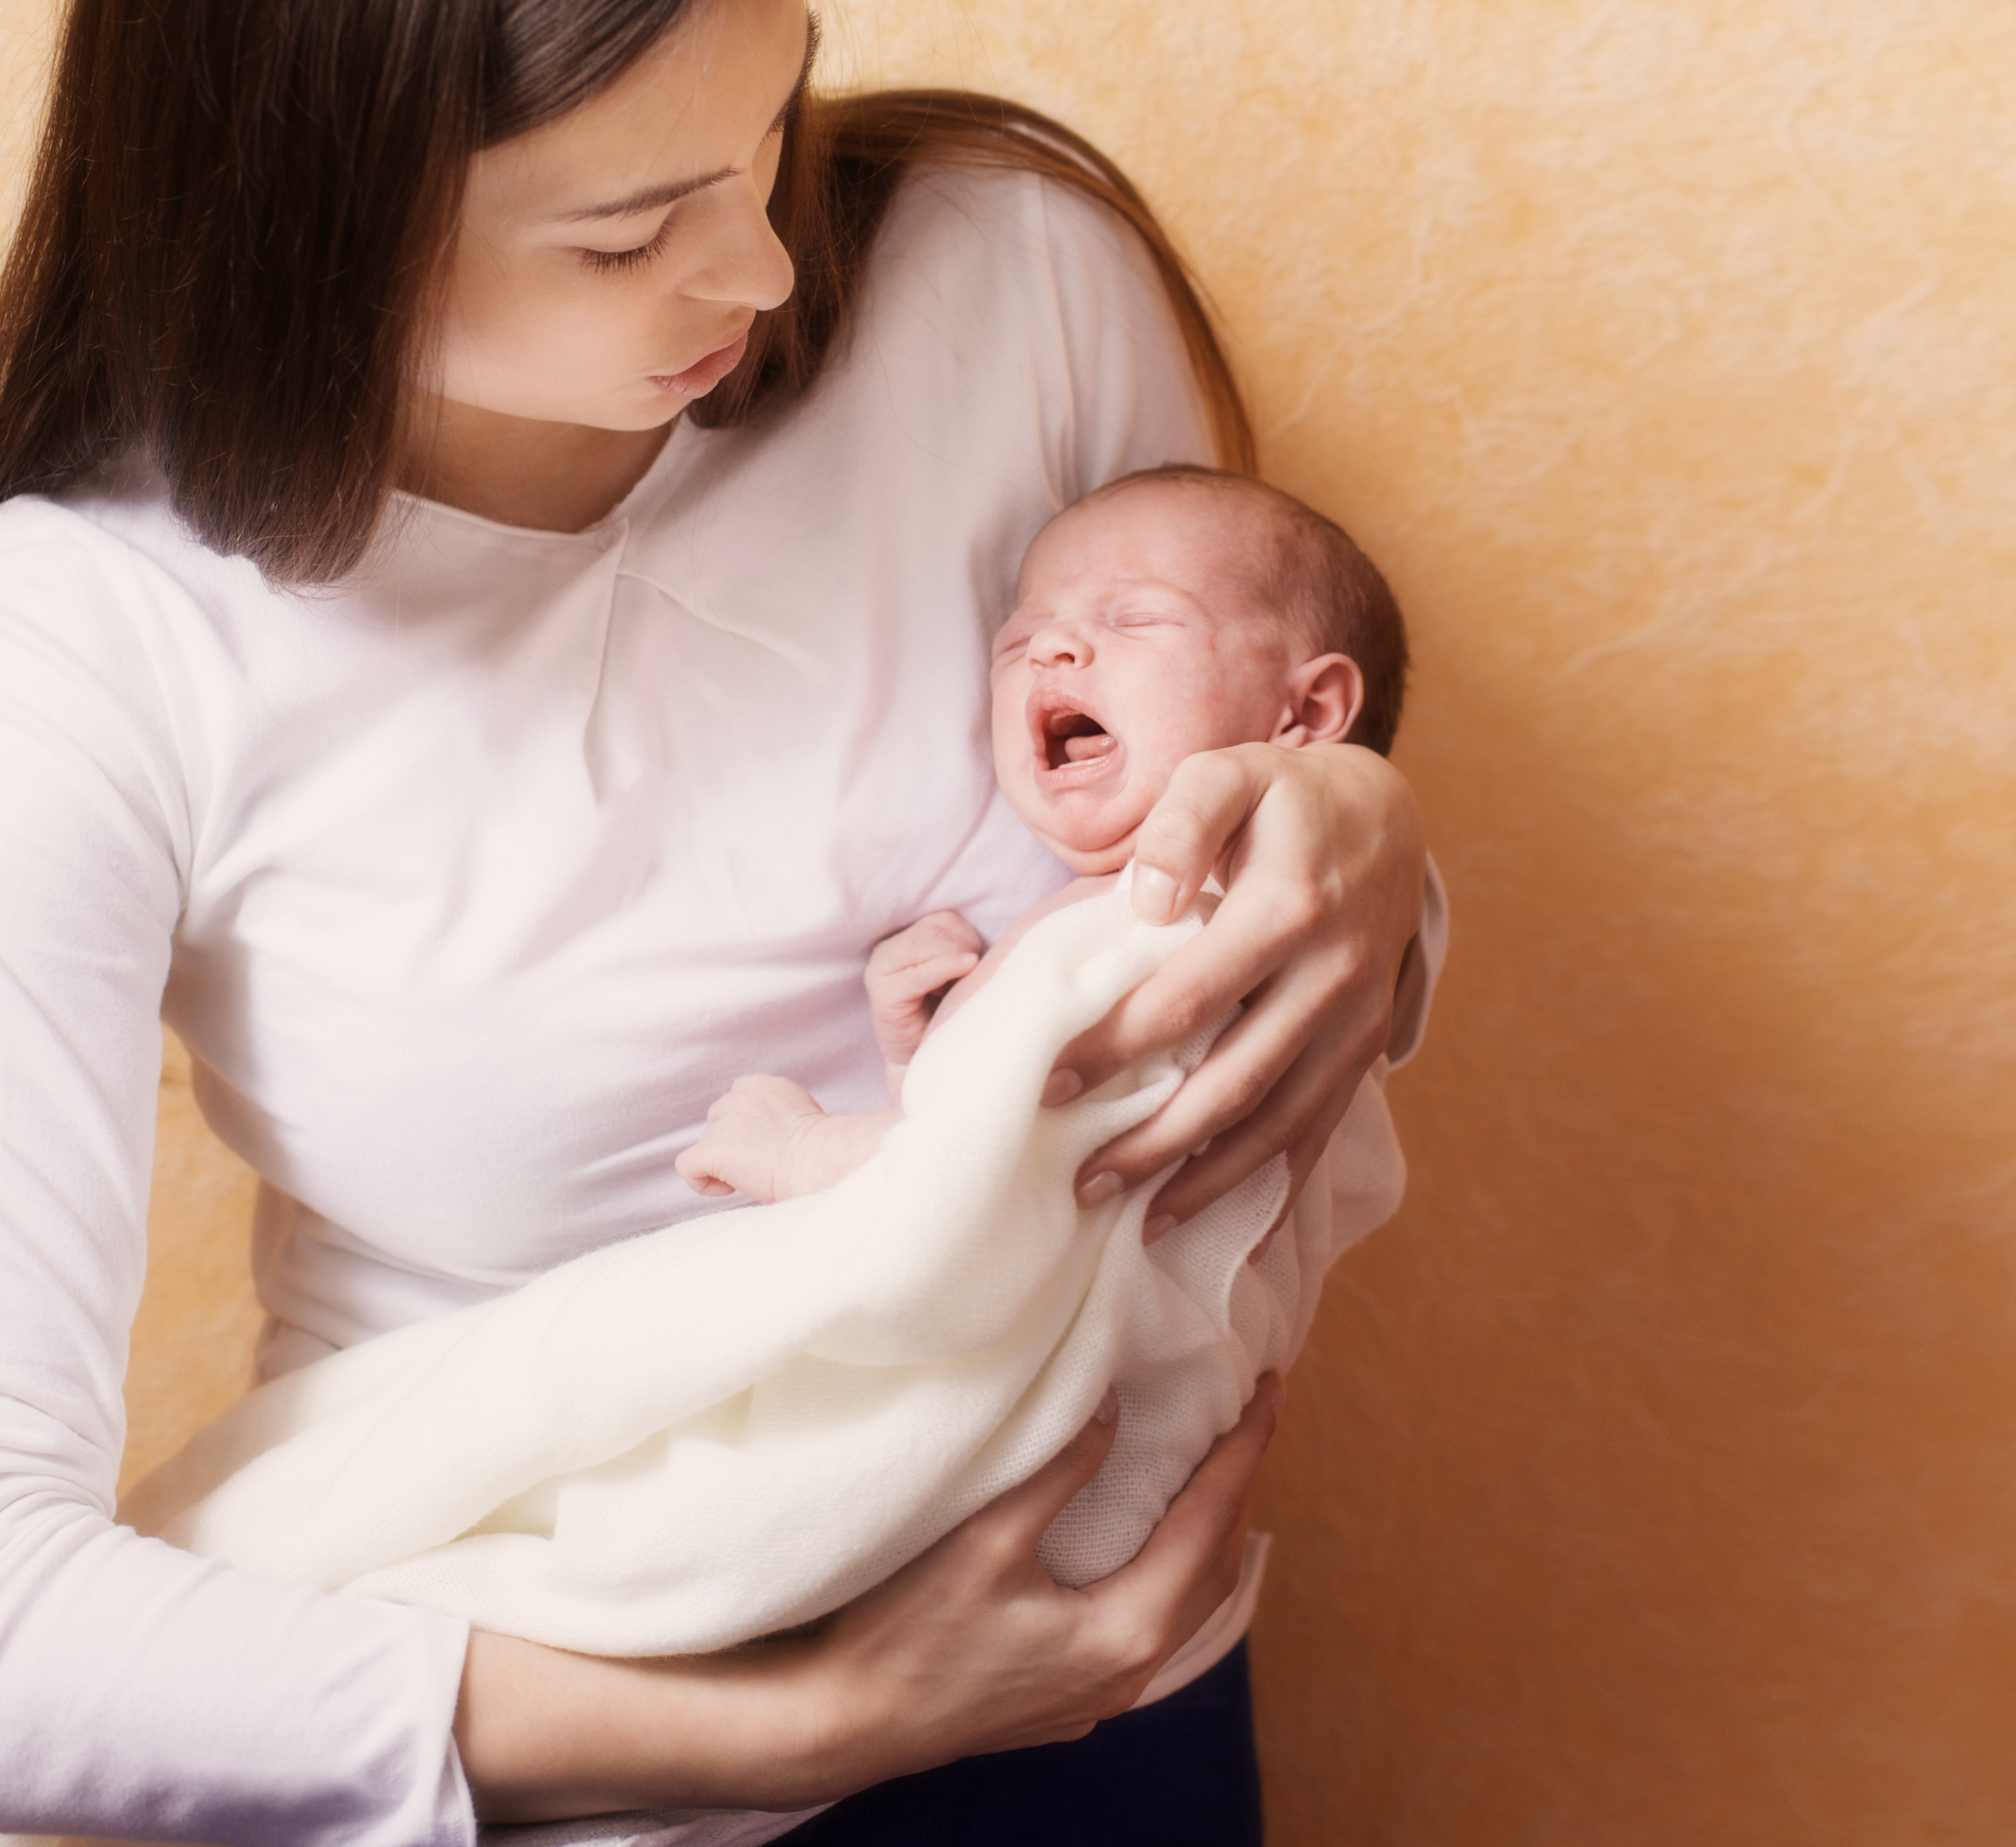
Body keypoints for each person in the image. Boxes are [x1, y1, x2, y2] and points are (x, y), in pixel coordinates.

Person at [0, 0, 1436, 1843]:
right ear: (309, 213)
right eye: (622, 232)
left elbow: (1218, 850)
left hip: (1099, 1676)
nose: (761, 257)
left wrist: (1374, 843)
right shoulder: (85, 646)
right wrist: (813, 1718)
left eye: (769, 125)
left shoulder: (1009, 284)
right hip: (526, 1744)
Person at [683, 462, 1413, 1205]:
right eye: (1017, 638)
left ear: (1311, 711)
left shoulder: (1202, 925)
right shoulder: (1110, 919)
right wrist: (923, 1056)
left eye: (1137, 619)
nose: (1048, 647)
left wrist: (804, 1155)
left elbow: (1011, 1183)